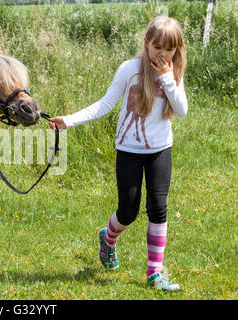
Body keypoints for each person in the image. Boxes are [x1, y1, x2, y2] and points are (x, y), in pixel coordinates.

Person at [49, 16, 188, 291]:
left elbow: (181, 110)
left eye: (169, 48)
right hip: (129, 150)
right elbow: (104, 105)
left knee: (158, 208)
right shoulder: (130, 70)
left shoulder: (174, 72)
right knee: (128, 210)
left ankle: (154, 274)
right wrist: (69, 120)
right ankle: (108, 238)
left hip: (161, 149)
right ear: (146, 43)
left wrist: (167, 79)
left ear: (177, 49)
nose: (163, 53)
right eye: (157, 46)